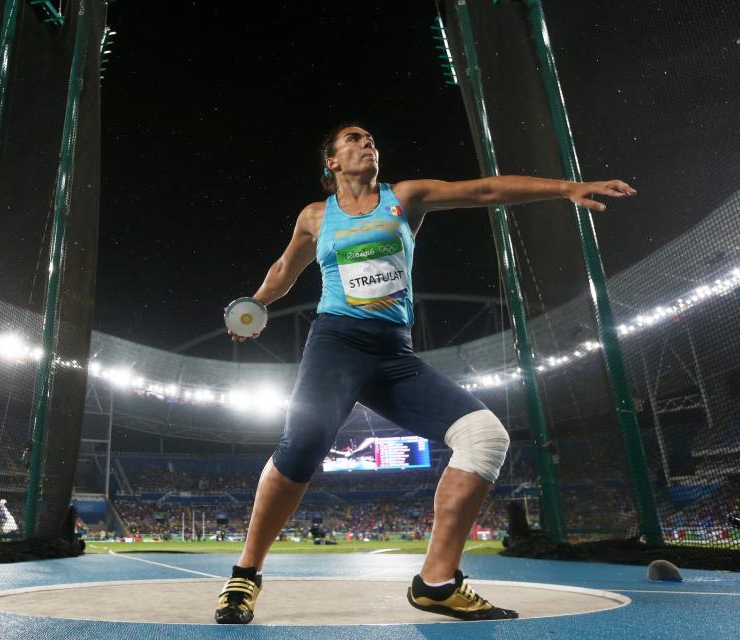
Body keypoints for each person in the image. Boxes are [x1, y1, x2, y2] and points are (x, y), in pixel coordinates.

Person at [214, 124, 636, 624]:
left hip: (394, 354)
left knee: (484, 437)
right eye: (352, 139)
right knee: (301, 445)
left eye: (371, 138)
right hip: (337, 344)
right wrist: (254, 306)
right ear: (331, 162)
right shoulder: (314, 216)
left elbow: (483, 190)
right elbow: (286, 267)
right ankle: (245, 574)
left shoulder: (406, 197)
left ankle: (437, 582)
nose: (365, 142)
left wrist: (565, 189)